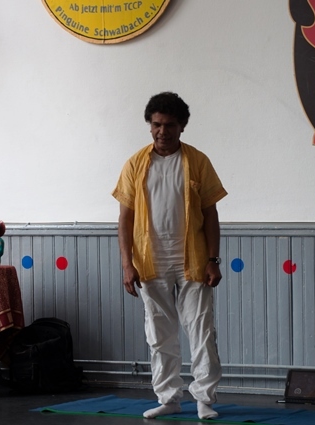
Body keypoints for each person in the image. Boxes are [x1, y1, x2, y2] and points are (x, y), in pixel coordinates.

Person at [112, 92, 227, 420]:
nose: (162, 131)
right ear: (150, 125)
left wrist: (213, 260)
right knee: (159, 333)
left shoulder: (198, 161)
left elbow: (211, 214)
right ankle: (169, 398)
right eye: (157, 125)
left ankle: (204, 400)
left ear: (182, 127)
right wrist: (127, 264)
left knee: (201, 330)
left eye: (170, 125)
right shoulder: (135, 164)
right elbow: (124, 219)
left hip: (193, 259)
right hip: (150, 260)